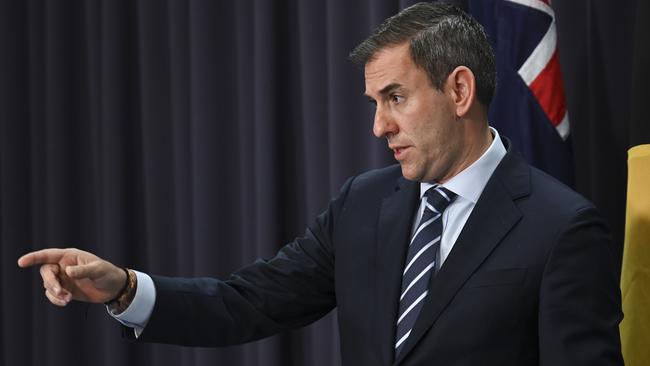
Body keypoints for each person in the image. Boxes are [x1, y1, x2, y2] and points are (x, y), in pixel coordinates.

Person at [18, 3, 623, 365]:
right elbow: (244, 303)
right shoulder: (363, 204)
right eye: (374, 102)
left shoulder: (561, 228)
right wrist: (125, 288)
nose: (379, 125)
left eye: (396, 98)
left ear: (459, 91)